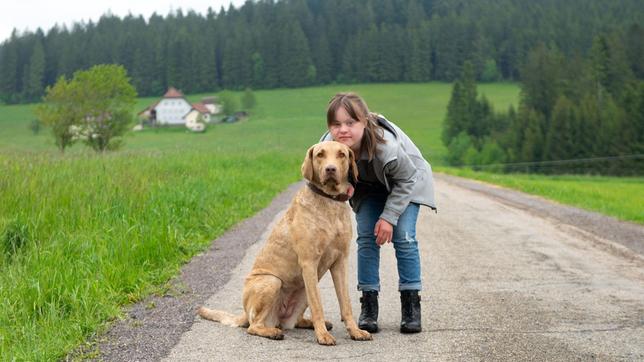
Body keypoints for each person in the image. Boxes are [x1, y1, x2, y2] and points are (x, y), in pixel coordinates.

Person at [320, 92, 436, 334]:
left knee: (404, 237)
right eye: (336, 124)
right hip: (370, 189)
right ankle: (369, 308)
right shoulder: (327, 146)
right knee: (366, 238)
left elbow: (407, 180)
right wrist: (342, 188)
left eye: (351, 123)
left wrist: (388, 217)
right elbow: (320, 175)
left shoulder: (386, 147)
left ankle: (411, 308)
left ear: (364, 121)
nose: (343, 130)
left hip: (407, 184)